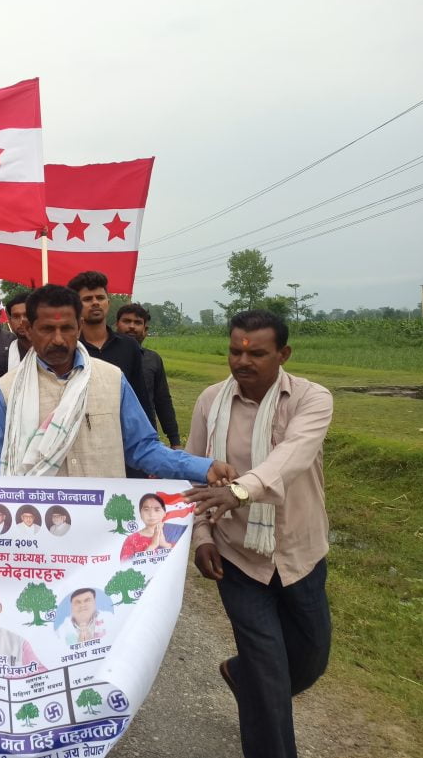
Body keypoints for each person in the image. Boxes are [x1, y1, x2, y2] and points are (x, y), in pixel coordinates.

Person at [184, 311, 333, 758]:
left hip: (300, 552)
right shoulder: (211, 401)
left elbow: (293, 455)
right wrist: (201, 536)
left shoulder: (311, 399)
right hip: (238, 557)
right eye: (235, 351)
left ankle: (240, 674)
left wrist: (240, 490)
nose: (242, 361)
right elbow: (194, 473)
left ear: (283, 354)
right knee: (268, 674)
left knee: (310, 660)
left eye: (257, 354)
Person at [0, 284, 235, 485]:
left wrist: (203, 468)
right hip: (37, 521)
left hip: (104, 522)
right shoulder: (8, 390)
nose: (58, 339)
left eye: (67, 328)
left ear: (79, 327)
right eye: (47, 329)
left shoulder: (112, 379)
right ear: (29, 329)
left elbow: (143, 449)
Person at [67, 272, 150, 414]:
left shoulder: (129, 346)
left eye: (100, 298)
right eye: (87, 299)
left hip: (121, 425)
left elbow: (141, 398)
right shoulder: (69, 349)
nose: (95, 303)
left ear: (108, 303)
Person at [115, 303, 181, 448]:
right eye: (126, 321)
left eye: (137, 322)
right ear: (116, 325)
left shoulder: (153, 359)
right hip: (111, 435)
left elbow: (162, 400)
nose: (132, 326)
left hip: (145, 436)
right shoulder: (103, 357)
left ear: (145, 330)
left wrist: (175, 440)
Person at [119, 493, 186, 561]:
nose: (151, 514)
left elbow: (182, 557)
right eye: (146, 509)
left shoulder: (180, 530)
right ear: (140, 513)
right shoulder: (131, 540)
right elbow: (125, 564)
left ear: (164, 513)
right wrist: (152, 546)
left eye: (157, 510)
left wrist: (166, 545)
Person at [5, 292, 31, 373]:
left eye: (26, 315)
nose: (22, 321)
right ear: (10, 321)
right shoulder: (3, 359)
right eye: (16, 317)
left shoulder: (53, 353)